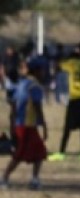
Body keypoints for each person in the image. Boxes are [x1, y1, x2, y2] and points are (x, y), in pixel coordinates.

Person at [1, 57, 49, 190]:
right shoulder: (35, 86)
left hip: (22, 124)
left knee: (39, 151)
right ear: (37, 71)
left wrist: (12, 123)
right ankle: (4, 178)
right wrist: (44, 124)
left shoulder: (22, 84)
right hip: (26, 125)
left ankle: (35, 179)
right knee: (19, 154)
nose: (44, 73)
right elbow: (37, 105)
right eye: (42, 70)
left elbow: (13, 104)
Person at [50, 43, 80, 161]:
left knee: (67, 128)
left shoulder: (71, 64)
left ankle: (61, 152)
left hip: (74, 99)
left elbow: (56, 67)